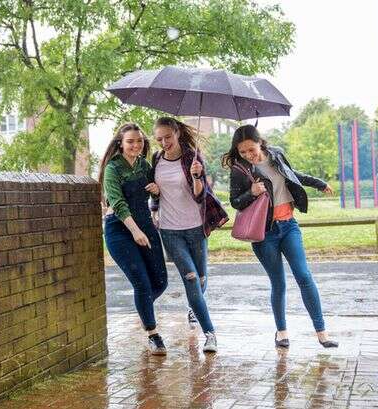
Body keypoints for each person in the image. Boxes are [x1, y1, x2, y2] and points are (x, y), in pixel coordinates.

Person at [222, 124, 338, 349]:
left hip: (288, 226)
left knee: (304, 276)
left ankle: (322, 333)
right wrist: (251, 192)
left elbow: (293, 176)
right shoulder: (240, 170)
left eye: (251, 149)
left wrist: (319, 183)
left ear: (260, 142)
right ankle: (282, 332)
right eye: (242, 152)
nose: (248, 155)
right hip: (265, 233)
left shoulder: (276, 154)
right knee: (278, 283)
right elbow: (235, 201)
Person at [151, 117, 229, 353]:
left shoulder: (191, 158)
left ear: (177, 133)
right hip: (170, 230)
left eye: (168, 137)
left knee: (201, 279)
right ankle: (210, 334)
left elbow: (199, 196)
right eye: (159, 139)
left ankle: (194, 307)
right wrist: (154, 197)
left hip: (196, 227)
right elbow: (156, 195)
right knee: (192, 278)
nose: (164, 142)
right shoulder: (155, 160)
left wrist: (197, 176)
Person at [99, 123, 169, 355]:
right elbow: (117, 203)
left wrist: (156, 190)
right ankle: (153, 334)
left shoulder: (144, 165)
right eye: (130, 141)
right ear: (121, 143)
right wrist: (134, 231)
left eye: (139, 141)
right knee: (141, 283)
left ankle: (143, 307)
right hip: (120, 229)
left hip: (146, 225)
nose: (136, 145)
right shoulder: (113, 168)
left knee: (160, 282)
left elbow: (155, 191)